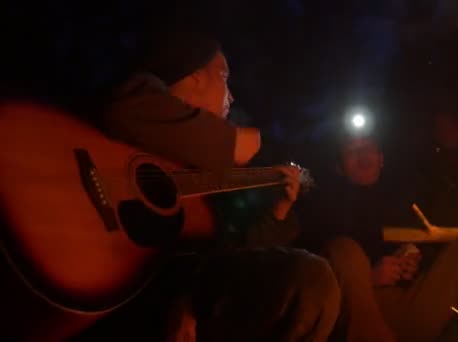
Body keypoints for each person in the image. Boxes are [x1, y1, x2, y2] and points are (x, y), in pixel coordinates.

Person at [74, 25, 340, 342]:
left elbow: (226, 258)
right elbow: (123, 108)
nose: (232, 95)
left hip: (153, 282)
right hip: (95, 268)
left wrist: (278, 214)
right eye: (224, 77)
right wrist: (233, 142)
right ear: (194, 77)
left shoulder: (201, 178)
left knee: (310, 280)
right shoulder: (139, 97)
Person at [297, 132, 458, 342]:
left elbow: (433, 240)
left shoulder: (402, 201)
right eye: (352, 150)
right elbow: (317, 272)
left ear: (381, 159)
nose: (363, 155)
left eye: (369, 147)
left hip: (409, 306)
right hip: (361, 307)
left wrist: (416, 260)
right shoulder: (325, 206)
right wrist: (369, 277)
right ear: (339, 166)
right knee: (344, 249)